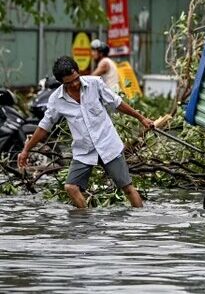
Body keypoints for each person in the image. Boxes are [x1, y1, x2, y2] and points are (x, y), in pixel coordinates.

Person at [18, 56, 154, 208]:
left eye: (76, 79)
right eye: (69, 83)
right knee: (71, 187)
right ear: (61, 82)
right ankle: (86, 223)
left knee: (127, 188)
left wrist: (142, 119)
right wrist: (26, 150)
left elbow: (117, 103)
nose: (75, 84)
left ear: (78, 72)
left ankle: (141, 222)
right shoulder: (56, 100)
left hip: (108, 145)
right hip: (84, 151)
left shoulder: (95, 83)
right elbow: (44, 127)